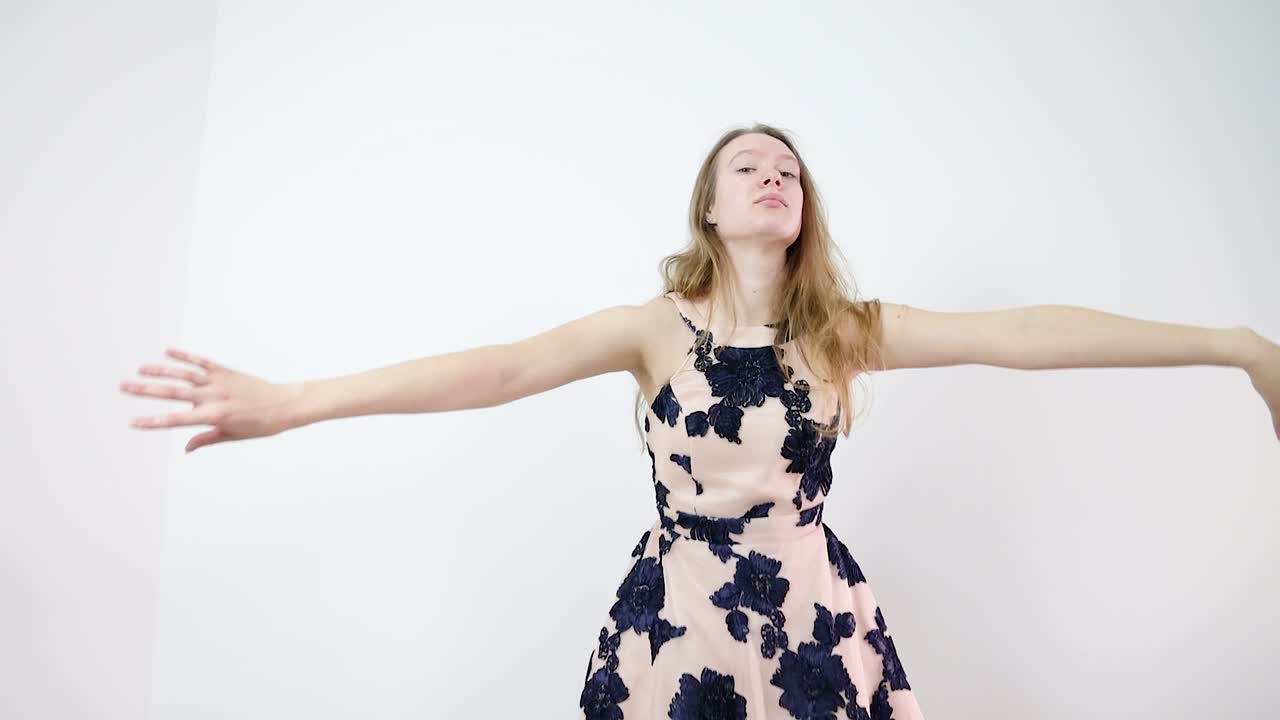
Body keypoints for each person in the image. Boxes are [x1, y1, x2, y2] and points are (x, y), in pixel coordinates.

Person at [121, 124, 1280, 719]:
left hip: (817, 623)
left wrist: (1233, 346)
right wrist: (294, 402)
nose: (774, 173)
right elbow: (498, 368)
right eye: (747, 165)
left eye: (788, 167)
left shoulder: (846, 329)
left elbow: (1018, 331)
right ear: (711, 207)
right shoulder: (652, 330)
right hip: (676, 626)